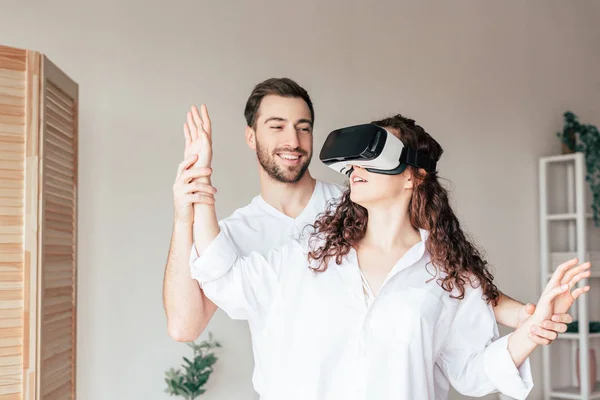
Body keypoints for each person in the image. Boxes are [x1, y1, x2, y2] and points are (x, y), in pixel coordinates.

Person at [162, 78, 572, 395]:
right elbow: (221, 280)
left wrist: (528, 325)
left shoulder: (441, 270)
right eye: (277, 126)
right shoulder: (310, 253)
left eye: (302, 127)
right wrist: (197, 193)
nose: (293, 140)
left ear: (413, 175)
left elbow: (472, 368)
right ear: (252, 136)